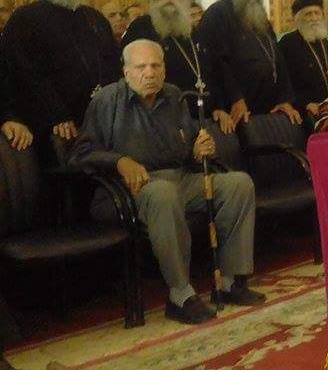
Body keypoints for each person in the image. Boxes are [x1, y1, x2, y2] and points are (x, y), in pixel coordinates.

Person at [70, 40, 264, 324]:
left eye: (155, 65)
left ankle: (229, 281)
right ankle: (180, 294)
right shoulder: (107, 101)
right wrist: (119, 161)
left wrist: (198, 149)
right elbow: (80, 154)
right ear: (126, 71)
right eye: (141, 67)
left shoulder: (174, 96)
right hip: (127, 190)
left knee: (239, 184)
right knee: (163, 192)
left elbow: (187, 146)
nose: (149, 73)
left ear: (164, 69)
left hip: (179, 179)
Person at [2, 0, 121, 142]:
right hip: (53, 127)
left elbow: (113, 66)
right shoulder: (25, 19)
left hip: (105, 119)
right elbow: (21, 75)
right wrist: (56, 114)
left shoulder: (95, 18)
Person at [121, 0, 234, 135]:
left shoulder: (192, 31)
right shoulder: (141, 27)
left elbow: (212, 71)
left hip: (202, 117)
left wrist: (218, 106)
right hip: (161, 122)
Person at [196, 0, 300, 125]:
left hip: (267, 109)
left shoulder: (261, 19)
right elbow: (216, 63)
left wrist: (284, 99)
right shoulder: (217, 14)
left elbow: (277, 60)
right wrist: (235, 98)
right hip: (237, 111)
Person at [279, 0, 328, 117]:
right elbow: (284, 83)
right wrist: (305, 104)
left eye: (317, 13)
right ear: (298, 18)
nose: (314, 18)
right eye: (308, 14)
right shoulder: (288, 42)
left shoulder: (324, 41)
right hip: (304, 109)